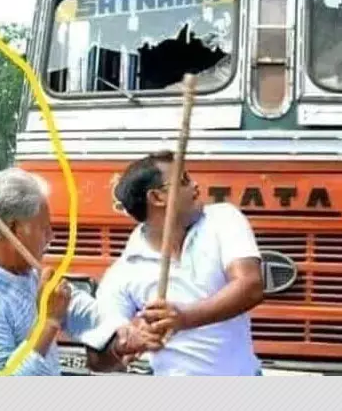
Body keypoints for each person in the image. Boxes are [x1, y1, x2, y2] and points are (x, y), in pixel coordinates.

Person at [0, 168, 161, 376]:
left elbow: (75, 306)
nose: (50, 238)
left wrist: (125, 330)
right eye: (44, 228)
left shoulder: (23, 273)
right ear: (13, 229)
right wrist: (49, 323)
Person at [96, 150, 265, 376]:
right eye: (184, 180)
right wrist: (125, 344)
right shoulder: (124, 272)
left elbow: (250, 286)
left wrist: (184, 318)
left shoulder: (223, 219)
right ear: (157, 198)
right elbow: (96, 358)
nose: (196, 186)